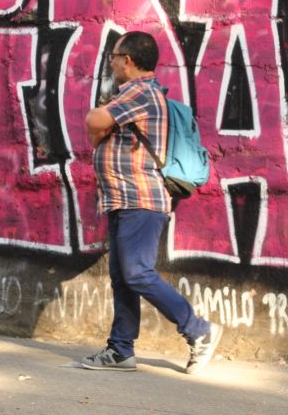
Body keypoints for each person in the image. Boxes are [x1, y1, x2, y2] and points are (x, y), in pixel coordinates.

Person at [82, 31, 222, 374]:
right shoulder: (132, 95)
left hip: (141, 198)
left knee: (137, 272)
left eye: (114, 56)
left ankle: (199, 330)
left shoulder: (141, 92)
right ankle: (120, 349)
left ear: (128, 60)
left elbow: (94, 122)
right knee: (122, 276)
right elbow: (98, 130)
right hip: (121, 198)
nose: (111, 62)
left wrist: (101, 122)